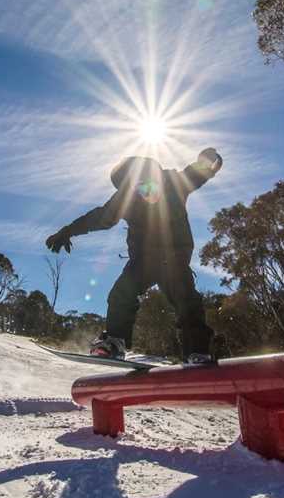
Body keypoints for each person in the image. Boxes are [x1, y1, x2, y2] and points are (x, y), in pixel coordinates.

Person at [46, 148, 223, 364]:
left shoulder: (175, 182)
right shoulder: (125, 199)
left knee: (187, 299)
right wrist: (68, 230)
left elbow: (196, 173)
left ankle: (197, 350)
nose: (148, 193)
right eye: (140, 189)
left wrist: (207, 162)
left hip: (174, 258)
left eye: (151, 185)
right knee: (122, 293)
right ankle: (115, 342)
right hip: (143, 261)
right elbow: (99, 217)